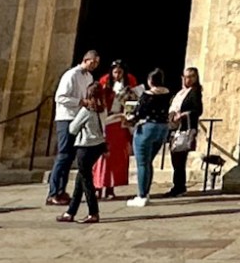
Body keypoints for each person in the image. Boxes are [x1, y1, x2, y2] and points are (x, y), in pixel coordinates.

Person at [45, 50, 100, 206]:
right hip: (66, 118)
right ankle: (53, 192)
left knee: (70, 157)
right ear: (85, 60)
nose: (95, 65)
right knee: (63, 154)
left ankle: (61, 190)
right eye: (93, 62)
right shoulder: (71, 75)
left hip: (78, 118)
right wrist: (80, 102)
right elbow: (60, 97)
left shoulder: (89, 77)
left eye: (97, 63)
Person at [59, 86, 107, 225]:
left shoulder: (86, 111)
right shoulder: (103, 109)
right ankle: (71, 212)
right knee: (80, 179)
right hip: (98, 145)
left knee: (86, 181)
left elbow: (72, 129)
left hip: (85, 146)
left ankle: (93, 212)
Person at [125, 68, 172, 207]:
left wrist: (129, 117)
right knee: (148, 162)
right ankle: (146, 192)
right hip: (162, 128)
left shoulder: (148, 95)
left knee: (142, 163)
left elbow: (139, 112)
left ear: (150, 81)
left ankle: (142, 195)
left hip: (148, 128)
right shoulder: (167, 93)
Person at [93, 62, 133, 201]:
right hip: (106, 121)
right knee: (102, 156)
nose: (117, 75)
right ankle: (98, 186)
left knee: (116, 157)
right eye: (115, 72)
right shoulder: (105, 85)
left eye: (120, 72)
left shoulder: (128, 86)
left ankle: (111, 187)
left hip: (119, 123)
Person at [166, 67, 204, 197]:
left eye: (191, 76)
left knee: (179, 158)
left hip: (184, 128)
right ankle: (178, 185)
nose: (188, 79)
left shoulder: (195, 92)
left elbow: (197, 110)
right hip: (174, 128)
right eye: (186, 76)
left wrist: (183, 115)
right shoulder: (181, 92)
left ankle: (179, 186)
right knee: (175, 158)